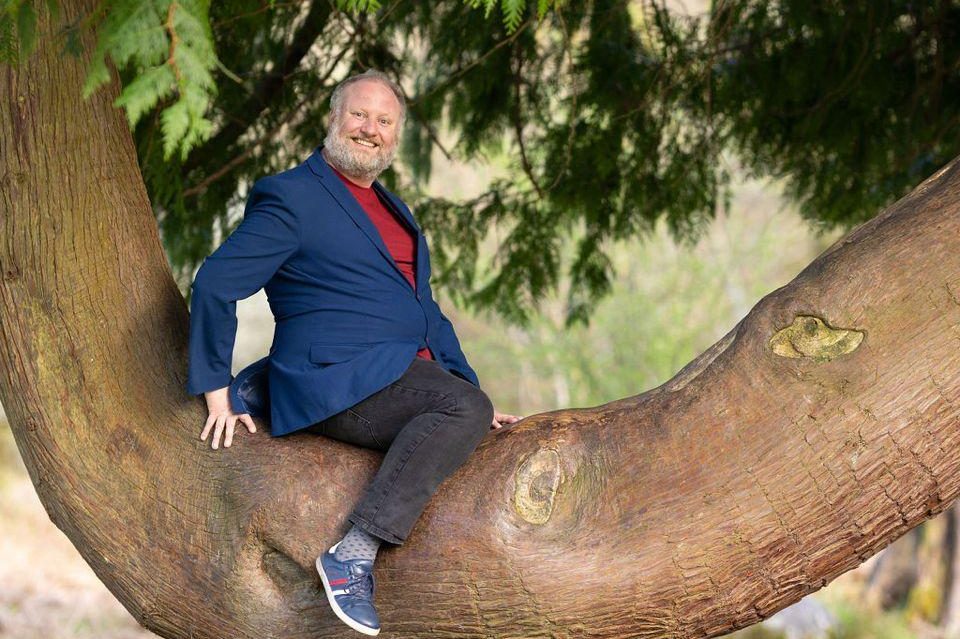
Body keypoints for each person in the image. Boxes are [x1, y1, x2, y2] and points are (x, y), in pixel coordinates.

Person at [185, 69, 521, 636]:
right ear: (334, 120)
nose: (370, 130)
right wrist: (213, 391)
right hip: (334, 377)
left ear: (395, 136)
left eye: (384, 121)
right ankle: (353, 555)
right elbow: (216, 282)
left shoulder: (397, 214)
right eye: (359, 115)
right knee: (460, 409)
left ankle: (265, 386)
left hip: (388, 372)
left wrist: (474, 394)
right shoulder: (292, 196)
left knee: (467, 405)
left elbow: (426, 314)